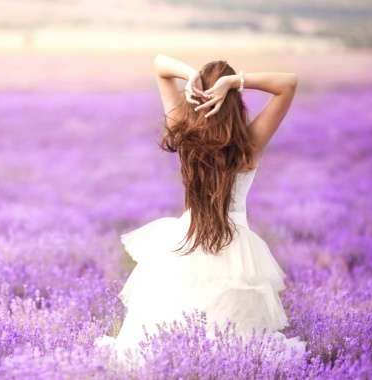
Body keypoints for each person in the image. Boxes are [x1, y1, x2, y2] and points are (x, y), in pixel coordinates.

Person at [94, 54, 306, 367]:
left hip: (185, 242)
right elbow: (288, 84)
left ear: (195, 96)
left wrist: (190, 75)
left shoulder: (184, 130)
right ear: (235, 100)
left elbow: (160, 66)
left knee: (159, 340)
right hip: (235, 249)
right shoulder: (249, 144)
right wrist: (236, 81)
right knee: (236, 349)